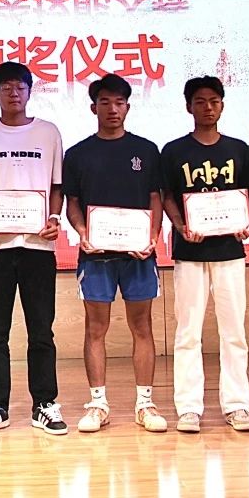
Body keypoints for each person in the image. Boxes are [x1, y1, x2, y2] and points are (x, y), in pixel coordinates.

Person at [0, 62, 66, 436]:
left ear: (29, 92)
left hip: (39, 247)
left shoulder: (48, 132)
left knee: (42, 331)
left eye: (20, 87)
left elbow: (57, 185)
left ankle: (44, 404)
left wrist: (53, 216)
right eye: (5, 87)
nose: (13, 93)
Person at [63, 74, 167, 434]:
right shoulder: (77, 154)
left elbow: (155, 198)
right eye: (105, 102)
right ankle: (98, 404)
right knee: (96, 328)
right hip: (96, 257)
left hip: (138, 256)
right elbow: (72, 203)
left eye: (119, 102)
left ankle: (145, 403)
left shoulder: (146, 150)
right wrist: (82, 232)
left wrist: (152, 236)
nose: (112, 109)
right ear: (94, 108)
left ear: (128, 107)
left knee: (142, 326)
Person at [160, 76, 249, 433]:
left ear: (223, 105)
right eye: (200, 101)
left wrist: (244, 223)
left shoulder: (238, 149)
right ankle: (188, 408)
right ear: (189, 106)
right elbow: (167, 196)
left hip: (230, 251)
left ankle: (237, 405)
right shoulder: (174, 150)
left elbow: (247, 193)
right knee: (188, 331)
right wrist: (180, 225)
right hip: (190, 250)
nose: (208, 107)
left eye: (214, 101)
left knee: (234, 331)